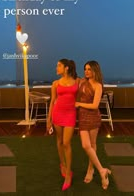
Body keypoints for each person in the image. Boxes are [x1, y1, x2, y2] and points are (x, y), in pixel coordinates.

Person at [75, 60, 111, 190]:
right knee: (86, 145)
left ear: (95, 70)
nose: (86, 71)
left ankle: (91, 170)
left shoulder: (98, 86)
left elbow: (95, 105)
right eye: (85, 69)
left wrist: (79, 104)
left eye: (89, 69)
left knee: (92, 144)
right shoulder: (82, 82)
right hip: (82, 118)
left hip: (93, 117)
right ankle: (102, 170)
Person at [47, 59, 79, 191]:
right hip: (57, 113)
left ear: (66, 68)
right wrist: (48, 119)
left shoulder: (77, 81)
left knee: (66, 143)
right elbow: (53, 101)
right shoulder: (55, 83)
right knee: (59, 141)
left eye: (59, 65)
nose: (56, 68)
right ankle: (63, 164)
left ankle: (68, 175)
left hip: (70, 114)